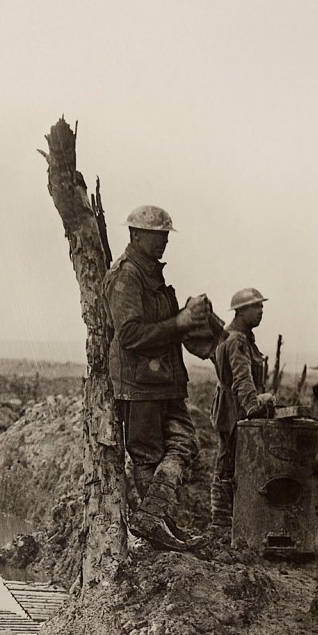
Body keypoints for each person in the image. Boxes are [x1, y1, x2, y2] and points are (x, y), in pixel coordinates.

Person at [103, 204, 215, 552]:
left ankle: (155, 519)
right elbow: (131, 335)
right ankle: (157, 527)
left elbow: (170, 330)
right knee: (148, 456)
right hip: (140, 386)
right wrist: (179, 322)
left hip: (164, 383)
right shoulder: (127, 276)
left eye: (166, 236)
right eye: (156, 236)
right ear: (135, 235)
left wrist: (196, 319)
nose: (163, 241)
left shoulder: (152, 275)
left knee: (186, 443)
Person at [209, 287, 275, 527]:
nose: (260, 311)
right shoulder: (236, 339)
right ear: (241, 310)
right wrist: (254, 406)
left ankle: (230, 517)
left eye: (261, 307)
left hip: (235, 408)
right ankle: (223, 520)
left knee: (231, 459)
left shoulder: (239, 337)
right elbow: (242, 378)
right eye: (256, 307)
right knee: (229, 462)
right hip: (234, 409)